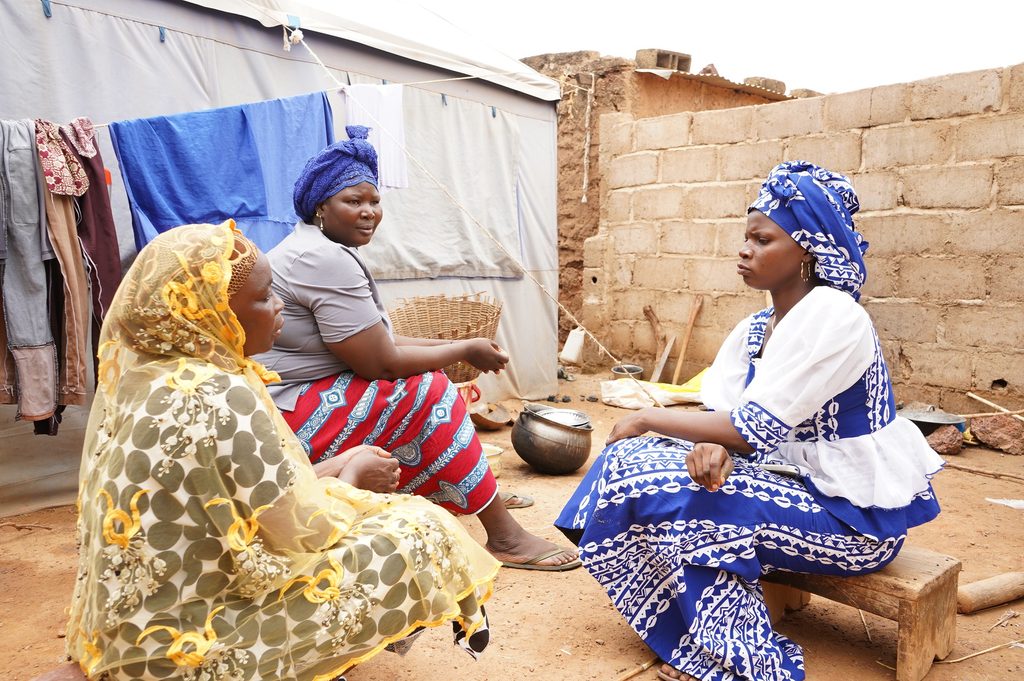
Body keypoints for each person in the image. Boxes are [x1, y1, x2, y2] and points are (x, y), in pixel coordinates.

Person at [555, 161, 945, 681]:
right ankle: (693, 627)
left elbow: (747, 428)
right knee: (634, 460)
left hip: (857, 521)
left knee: (694, 496)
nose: (745, 249)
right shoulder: (757, 326)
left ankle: (743, 659)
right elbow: (725, 418)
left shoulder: (835, 317)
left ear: (808, 248)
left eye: (762, 239)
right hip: (796, 486)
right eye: (746, 238)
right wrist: (714, 445)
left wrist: (654, 417)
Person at [62, 221, 499, 680]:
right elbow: (301, 535)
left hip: (125, 632)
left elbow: (254, 504)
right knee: (421, 529)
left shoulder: (145, 381)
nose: (279, 305)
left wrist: (341, 465)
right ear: (211, 311)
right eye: (263, 297)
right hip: (191, 645)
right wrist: (352, 478)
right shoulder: (221, 393)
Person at [254, 125, 579, 571]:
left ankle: (473, 485)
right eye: (354, 201)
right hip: (288, 415)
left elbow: (376, 338)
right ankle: (503, 535)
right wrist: (460, 349)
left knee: (426, 380)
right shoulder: (321, 258)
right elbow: (381, 362)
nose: (369, 213)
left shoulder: (319, 248)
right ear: (320, 208)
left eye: (374, 202)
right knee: (423, 389)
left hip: (301, 397)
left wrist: (459, 347)